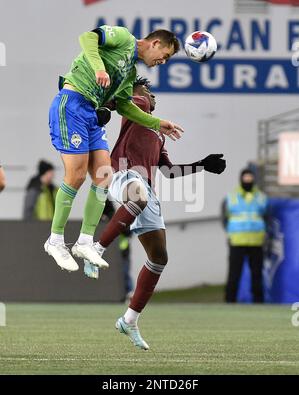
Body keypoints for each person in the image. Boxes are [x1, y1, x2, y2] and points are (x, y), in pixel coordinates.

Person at [84, 77, 226, 350]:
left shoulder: (158, 133)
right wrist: (104, 104)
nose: (149, 94)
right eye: (145, 89)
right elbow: (116, 102)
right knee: (138, 194)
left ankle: (129, 319)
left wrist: (201, 165)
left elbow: (169, 172)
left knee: (159, 258)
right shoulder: (134, 108)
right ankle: (96, 248)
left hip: (146, 190)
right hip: (122, 176)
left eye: (149, 91)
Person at [44, 25, 184, 273]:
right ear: (155, 43)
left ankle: (85, 241)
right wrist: (99, 67)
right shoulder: (124, 38)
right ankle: (55, 240)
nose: (163, 61)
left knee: (104, 176)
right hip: (72, 104)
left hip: (91, 114)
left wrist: (157, 123)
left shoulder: (129, 73)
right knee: (75, 176)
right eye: (165, 55)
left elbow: (125, 107)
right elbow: (86, 37)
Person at [222, 168, 268, 304]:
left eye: (250, 178)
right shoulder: (231, 197)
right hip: (237, 240)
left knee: (257, 274)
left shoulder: (261, 197)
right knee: (234, 274)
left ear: (254, 179)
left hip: (256, 241)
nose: (248, 180)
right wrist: (230, 232)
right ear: (241, 179)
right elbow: (224, 218)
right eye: (245, 178)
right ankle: (230, 301)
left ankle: (258, 302)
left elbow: (265, 216)